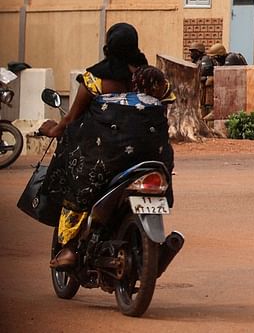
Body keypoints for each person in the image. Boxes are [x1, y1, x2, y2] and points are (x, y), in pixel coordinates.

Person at [39, 22, 174, 268]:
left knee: (78, 185)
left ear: (108, 46)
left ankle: (69, 249)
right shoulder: (151, 78)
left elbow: (71, 119)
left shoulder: (96, 78)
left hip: (107, 157)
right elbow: (166, 102)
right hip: (153, 155)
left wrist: (50, 128)